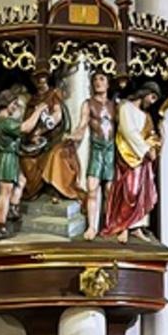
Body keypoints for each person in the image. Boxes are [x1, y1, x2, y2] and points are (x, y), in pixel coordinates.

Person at [102, 82, 161, 243]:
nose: (152, 102)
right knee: (130, 191)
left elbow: (151, 134)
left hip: (143, 160)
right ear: (145, 93)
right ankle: (123, 226)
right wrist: (145, 149)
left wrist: (154, 146)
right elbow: (128, 131)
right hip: (128, 155)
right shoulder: (125, 107)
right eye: (152, 97)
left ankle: (136, 227)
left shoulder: (146, 116)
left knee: (143, 191)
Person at [0, 89, 45, 239]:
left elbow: (14, 138)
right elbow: (26, 127)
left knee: (21, 181)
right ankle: (1, 226)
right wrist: (38, 111)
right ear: (6, 104)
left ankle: (13, 208)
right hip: (6, 159)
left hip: (7, 157)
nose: (15, 107)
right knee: (4, 193)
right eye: (13, 104)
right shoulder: (4, 122)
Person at [19, 70, 82, 202]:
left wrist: (41, 130)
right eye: (37, 77)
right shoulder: (32, 100)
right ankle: (34, 192)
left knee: (56, 155)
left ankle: (56, 190)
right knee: (26, 160)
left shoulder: (53, 94)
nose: (40, 80)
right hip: (36, 141)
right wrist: (32, 136)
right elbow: (27, 120)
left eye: (42, 77)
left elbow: (57, 116)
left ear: (47, 78)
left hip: (54, 138)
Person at [71, 72, 116, 239]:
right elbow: (83, 124)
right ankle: (92, 227)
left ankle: (109, 224)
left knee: (110, 190)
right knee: (92, 188)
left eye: (102, 79)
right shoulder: (88, 104)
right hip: (97, 149)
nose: (98, 82)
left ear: (108, 84)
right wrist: (75, 135)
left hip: (110, 150)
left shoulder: (114, 105)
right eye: (95, 79)